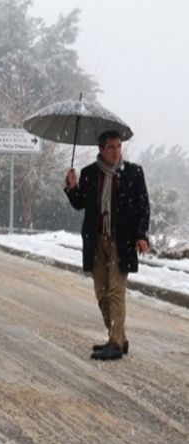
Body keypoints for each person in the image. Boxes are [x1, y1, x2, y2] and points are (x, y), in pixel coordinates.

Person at [65, 130, 150, 361]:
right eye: (111, 147)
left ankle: (114, 343)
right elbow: (80, 203)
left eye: (118, 147)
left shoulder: (133, 173)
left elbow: (143, 207)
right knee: (101, 293)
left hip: (121, 241)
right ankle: (119, 338)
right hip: (96, 240)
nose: (116, 152)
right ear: (101, 150)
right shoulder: (90, 174)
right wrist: (72, 187)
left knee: (115, 291)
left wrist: (141, 235)